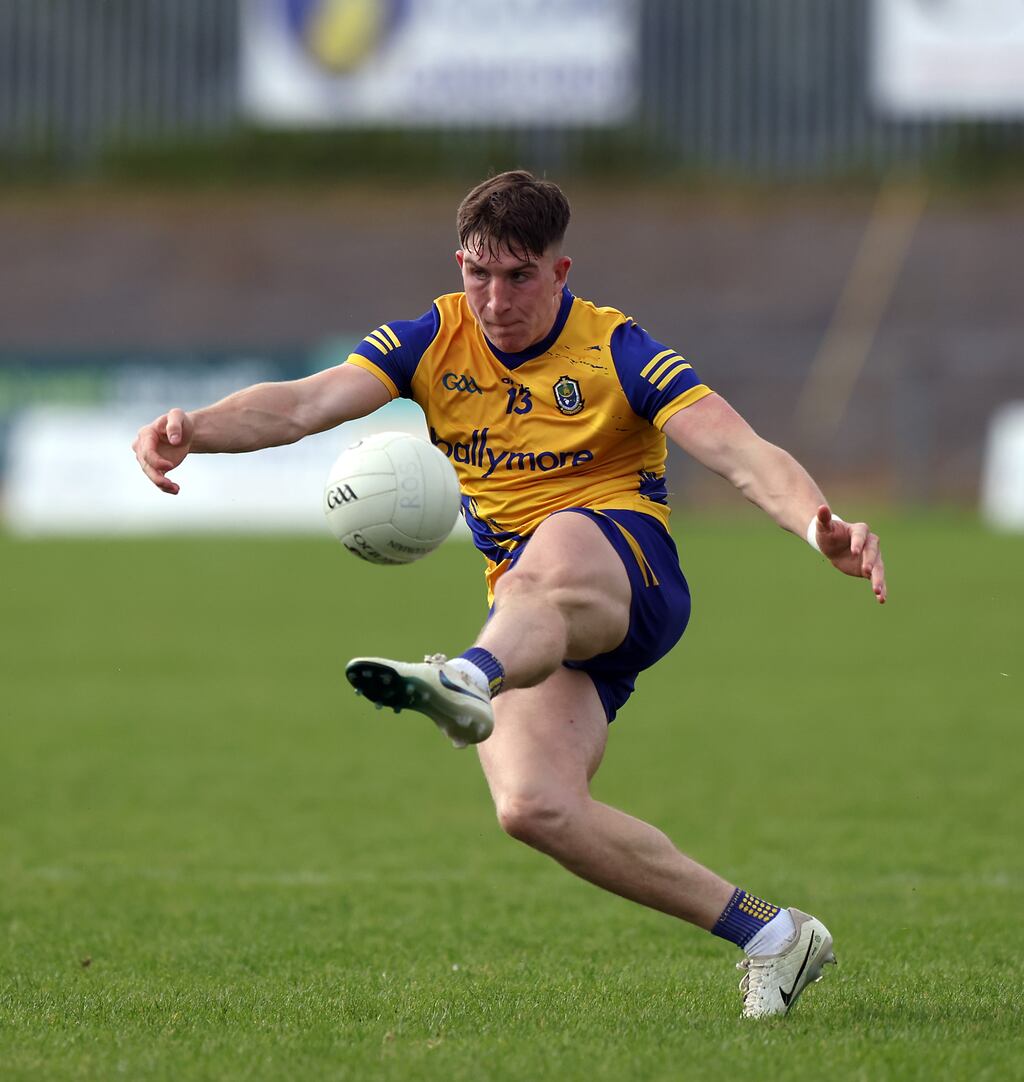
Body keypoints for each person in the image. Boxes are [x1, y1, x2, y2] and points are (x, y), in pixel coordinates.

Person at [133, 170, 886, 1019]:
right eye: (478, 274)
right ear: (460, 264)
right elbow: (305, 405)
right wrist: (194, 429)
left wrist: (818, 520)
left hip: (625, 574)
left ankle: (467, 677)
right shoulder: (432, 338)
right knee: (534, 806)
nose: (495, 298)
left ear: (561, 273)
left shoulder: (617, 349)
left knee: (550, 543)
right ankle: (774, 936)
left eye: (520, 275)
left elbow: (740, 451)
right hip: (535, 617)